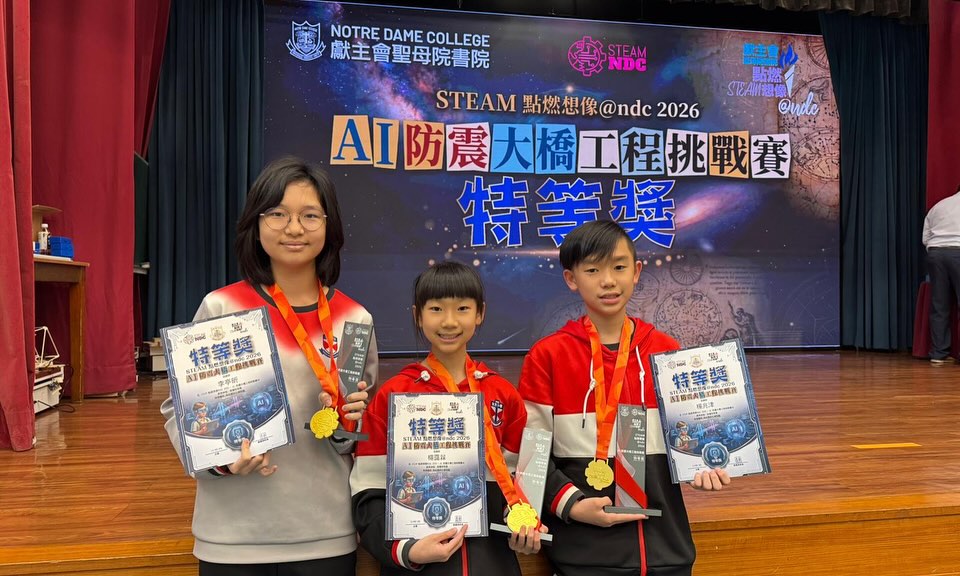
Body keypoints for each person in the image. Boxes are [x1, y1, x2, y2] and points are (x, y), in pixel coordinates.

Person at [161, 157, 377, 576]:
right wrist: (220, 460)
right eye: (277, 214)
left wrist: (348, 426)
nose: (294, 228)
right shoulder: (222, 307)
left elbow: (353, 431)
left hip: (324, 531)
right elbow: (180, 408)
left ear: (329, 227)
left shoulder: (354, 320)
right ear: (256, 224)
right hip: (231, 534)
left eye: (310, 215)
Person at [518, 220, 730, 576]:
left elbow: (691, 438)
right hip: (584, 557)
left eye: (618, 267)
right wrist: (573, 505)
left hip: (667, 551)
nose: (608, 281)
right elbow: (531, 457)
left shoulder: (666, 351)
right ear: (571, 278)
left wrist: (703, 465)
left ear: (636, 272)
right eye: (592, 270)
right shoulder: (548, 356)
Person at [351, 261, 546, 575]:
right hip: (418, 565)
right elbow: (368, 491)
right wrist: (406, 550)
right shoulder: (394, 396)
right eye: (436, 309)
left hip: (492, 564)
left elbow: (523, 481)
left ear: (480, 313)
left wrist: (524, 526)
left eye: (463, 308)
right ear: (418, 315)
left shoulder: (502, 394)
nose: (450, 321)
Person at [922, 184, 960, 365]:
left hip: (935, 253)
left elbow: (925, 238)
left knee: (939, 305)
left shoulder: (939, 206)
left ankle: (938, 354)